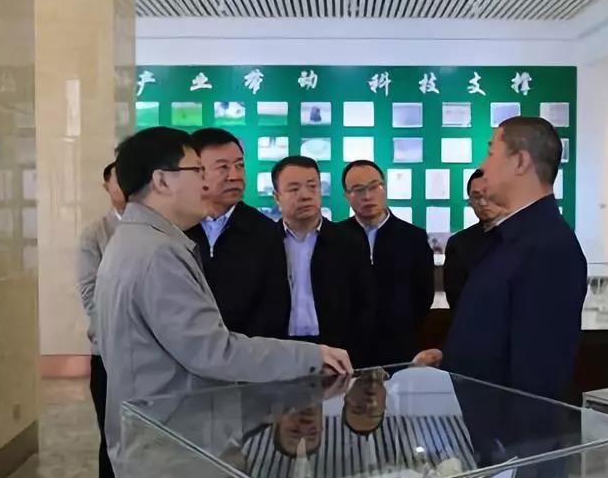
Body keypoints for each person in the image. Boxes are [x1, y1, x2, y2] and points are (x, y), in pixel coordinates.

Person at [94, 128, 352, 478]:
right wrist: (312, 355)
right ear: (162, 181)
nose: (206, 183)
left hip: (166, 440)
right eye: (197, 171)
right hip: (178, 451)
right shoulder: (158, 253)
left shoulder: (135, 240)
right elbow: (213, 351)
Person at [435, 117, 588, 402]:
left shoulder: (549, 249)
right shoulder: (509, 237)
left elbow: (537, 379)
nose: (483, 165)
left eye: (491, 153)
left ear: (520, 162)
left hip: (501, 428)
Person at [184, 128, 290, 338]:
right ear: (196, 171)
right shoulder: (176, 227)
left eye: (240, 165)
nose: (235, 176)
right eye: (222, 167)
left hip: (246, 351)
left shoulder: (264, 231)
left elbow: (274, 308)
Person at [271, 156, 376, 366]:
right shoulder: (264, 241)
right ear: (277, 197)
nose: (305, 195)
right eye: (294, 189)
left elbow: (365, 304)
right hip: (279, 350)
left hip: (336, 351)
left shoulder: (349, 241)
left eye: (312, 186)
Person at [340, 160, 434, 366]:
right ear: (346, 195)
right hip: (347, 350)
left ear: (384, 187)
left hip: (400, 346)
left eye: (374, 186)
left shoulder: (413, 237)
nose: (367, 196)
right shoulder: (336, 237)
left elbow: (423, 294)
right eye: (358, 189)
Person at [75, 161, 125, 478]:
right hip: (108, 350)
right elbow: (89, 292)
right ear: (106, 186)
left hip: (151, 352)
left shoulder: (164, 228)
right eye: (118, 180)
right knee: (112, 429)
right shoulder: (96, 233)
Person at [443, 169, 507, 309]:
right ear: (470, 201)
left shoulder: (528, 237)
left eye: (489, 195)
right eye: (476, 197)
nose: (483, 203)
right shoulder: (459, 244)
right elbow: (457, 300)